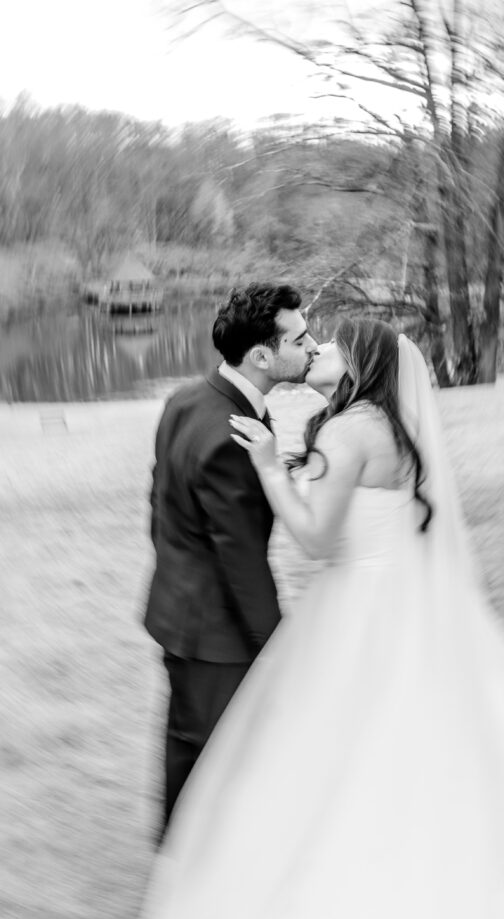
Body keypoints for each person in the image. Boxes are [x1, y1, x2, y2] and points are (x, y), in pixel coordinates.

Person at [72, 318, 504, 919]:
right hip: (404, 604)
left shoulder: (348, 431)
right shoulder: (387, 426)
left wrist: (266, 467)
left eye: (329, 344)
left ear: (360, 359)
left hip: (356, 609)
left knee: (337, 751)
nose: (316, 351)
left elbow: (313, 539)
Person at [144, 282, 317, 836]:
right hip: (215, 633)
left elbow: (159, 506)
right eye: (300, 337)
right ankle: (201, 880)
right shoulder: (234, 435)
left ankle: (177, 868)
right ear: (263, 356)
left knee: (189, 749)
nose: (312, 346)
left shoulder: (184, 398)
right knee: (225, 765)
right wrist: (277, 643)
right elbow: (239, 558)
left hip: (176, 613)